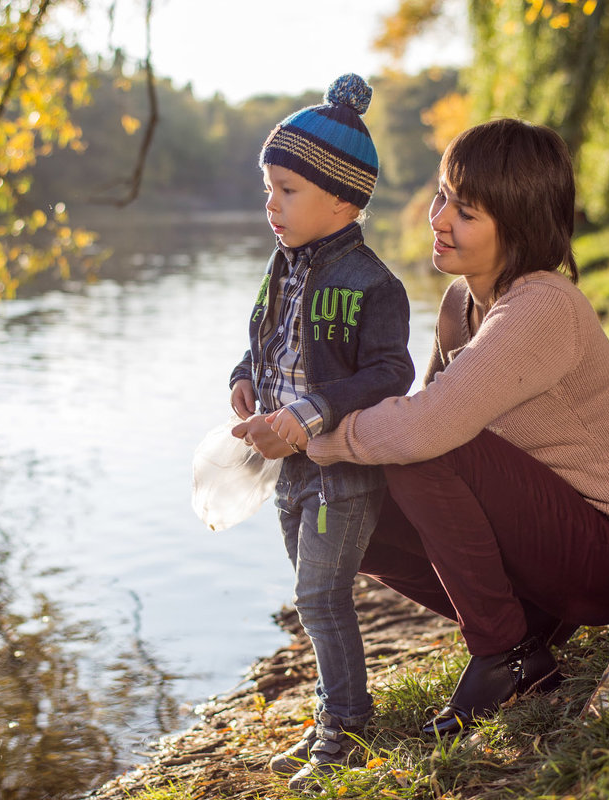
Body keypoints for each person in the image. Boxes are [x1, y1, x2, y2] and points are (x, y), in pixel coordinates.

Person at [267, 118, 609, 737]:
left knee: (422, 449)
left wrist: (313, 433)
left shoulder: (542, 307)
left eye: (466, 212)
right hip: (550, 549)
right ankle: (522, 632)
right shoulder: (461, 304)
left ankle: (506, 658)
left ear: (517, 227)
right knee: (361, 507)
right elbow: (414, 422)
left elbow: (422, 432)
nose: (437, 219)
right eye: (442, 196)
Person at [228, 74, 415, 787]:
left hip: (343, 467)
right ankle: (332, 715)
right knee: (310, 593)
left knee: (319, 596)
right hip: (289, 468)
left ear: (342, 198)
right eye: (268, 188)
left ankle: (350, 730)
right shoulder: (280, 270)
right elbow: (263, 343)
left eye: (287, 190)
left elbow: (389, 374)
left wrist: (305, 415)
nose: (270, 204)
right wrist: (243, 377)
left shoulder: (374, 285)